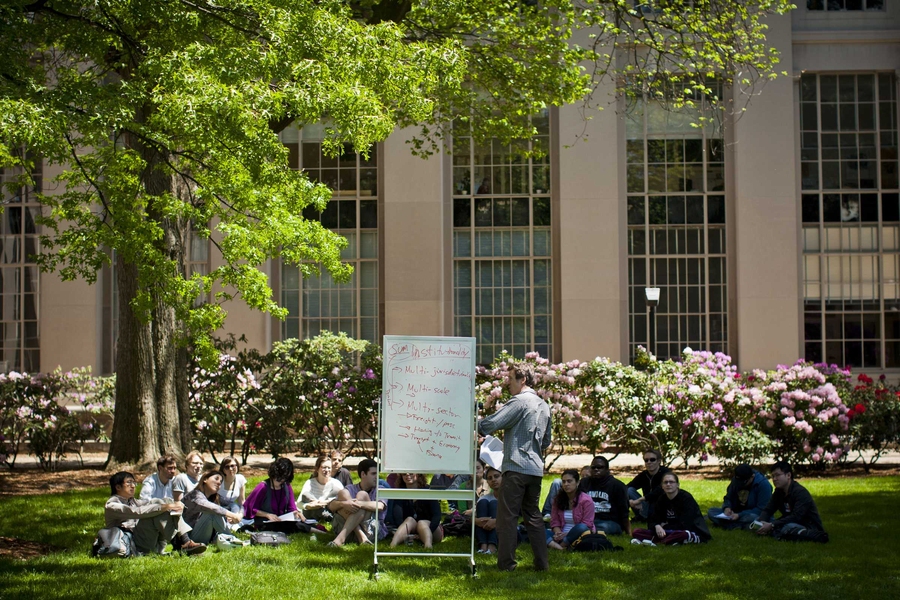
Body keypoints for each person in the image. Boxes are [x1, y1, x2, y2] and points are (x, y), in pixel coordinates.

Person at [477, 362, 551, 572]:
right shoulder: (544, 406)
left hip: (516, 468)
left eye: (510, 379)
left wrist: (474, 421)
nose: (507, 383)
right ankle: (541, 565)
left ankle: (506, 565)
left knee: (506, 518)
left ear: (523, 380)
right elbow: (546, 441)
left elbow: (491, 424)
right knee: (533, 516)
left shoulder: (519, 401)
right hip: (535, 470)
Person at [104, 471, 205, 555]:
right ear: (118, 487)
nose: (133, 486)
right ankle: (181, 543)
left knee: (159, 503)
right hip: (131, 545)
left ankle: (183, 542)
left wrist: (172, 503)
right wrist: (166, 506)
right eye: (129, 482)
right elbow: (137, 512)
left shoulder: (133, 501)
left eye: (134, 483)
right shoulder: (112, 505)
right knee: (160, 508)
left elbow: (153, 503)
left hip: (146, 540)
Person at [138, 453, 201, 551]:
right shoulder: (150, 482)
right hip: (147, 524)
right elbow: (143, 506)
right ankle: (182, 543)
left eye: (174, 468)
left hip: (163, 525)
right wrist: (165, 506)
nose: (173, 471)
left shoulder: (174, 482)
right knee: (161, 502)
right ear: (160, 468)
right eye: (170, 468)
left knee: (171, 503)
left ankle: (183, 544)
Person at [755, 461, 828, 543]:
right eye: (773, 476)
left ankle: (812, 535)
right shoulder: (779, 492)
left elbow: (796, 516)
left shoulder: (800, 492)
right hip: (790, 522)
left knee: (785, 527)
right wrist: (761, 523)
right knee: (756, 520)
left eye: (778, 475)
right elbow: (768, 510)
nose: (774, 479)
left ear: (788, 475)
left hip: (807, 525)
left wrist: (772, 525)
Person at [631, 473, 711, 546]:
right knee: (637, 532)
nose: (668, 484)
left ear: (677, 485)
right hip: (668, 531)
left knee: (683, 535)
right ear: (662, 486)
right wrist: (657, 525)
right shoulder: (661, 499)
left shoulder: (686, 498)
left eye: (671, 482)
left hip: (688, 531)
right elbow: (653, 519)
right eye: (665, 482)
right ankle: (669, 541)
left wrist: (664, 526)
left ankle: (657, 542)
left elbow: (686, 523)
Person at [329, 458, 388, 547]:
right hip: (349, 532)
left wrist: (359, 504)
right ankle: (361, 537)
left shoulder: (380, 489)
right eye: (373, 474)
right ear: (363, 474)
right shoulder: (350, 488)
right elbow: (331, 506)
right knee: (343, 493)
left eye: (377, 474)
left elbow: (380, 506)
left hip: (371, 531)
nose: (377, 477)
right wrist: (344, 504)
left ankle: (340, 539)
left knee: (362, 495)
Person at [243, 458, 306, 533]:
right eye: (279, 476)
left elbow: (291, 508)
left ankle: (315, 529)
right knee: (291, 527)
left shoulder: (286, 486)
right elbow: (249, 508)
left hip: (282, 521)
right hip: (265, 523)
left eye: (284, 477)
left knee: (298, 523)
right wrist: (267, 515)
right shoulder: (263, 487)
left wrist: (297, 513)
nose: (280, 480)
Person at [182, 470, 242, 544]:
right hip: (188, 539)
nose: (219, 483)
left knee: (216, 512)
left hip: (203, 534)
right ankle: (232, 540)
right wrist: (232, 515)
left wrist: (236, 513)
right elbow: (212, 508)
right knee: (212, 513)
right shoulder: (194, 495)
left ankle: (229, 540)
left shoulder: (215, 497)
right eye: (216, 479)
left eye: (220, 482)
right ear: (205, 479)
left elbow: (233, 504)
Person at [707, 463, 773, 530]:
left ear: (752, 477)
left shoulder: (763, 485)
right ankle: (739, 525)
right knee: (711, 512)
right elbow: (728, 498)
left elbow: (762, 509)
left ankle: (730, 524)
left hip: (751, 514)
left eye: (743, 482)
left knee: (753, 518)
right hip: (735, 513)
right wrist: (727, 508)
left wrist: (739, 515)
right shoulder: (735, 481)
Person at [388, 473, 444, 549]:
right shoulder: (400, 492)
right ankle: (392, 545)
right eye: (404, 474)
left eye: (411, 473)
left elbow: (437, 516)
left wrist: (422, 534)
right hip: (411, 529)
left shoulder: (428, 490)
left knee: (422, 523)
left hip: (432, 528)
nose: (407, 475)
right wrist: (410, 533)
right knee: (409, 519)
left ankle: (428, 546)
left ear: (418, 475)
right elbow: (398, 517)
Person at [579, 456, 630, 535]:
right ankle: (588, 530)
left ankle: (587, 531)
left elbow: (624, 511)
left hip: (609, 521)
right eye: (593, 467)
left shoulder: (617, 485)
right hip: (588, 519)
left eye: (600, 467)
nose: (596, 469)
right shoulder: (584, 483)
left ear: (607, 470)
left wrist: (628, 532)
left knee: (605, 527)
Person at [546, 469, 595, 551]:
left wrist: (566, 535)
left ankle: (558, 545)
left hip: (579, 535)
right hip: (560, 533)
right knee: (538, 529)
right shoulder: (558, 499)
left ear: (577, 483)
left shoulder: (586, 500)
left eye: (569, 481)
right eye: (564, 482)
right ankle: (561, 548)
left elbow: (587, 524)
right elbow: (554, 521)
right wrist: (558, 533)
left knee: (581, 527)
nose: (566, 484)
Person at [626, 449, 671, 520]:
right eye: (646, 460)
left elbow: (659, 491)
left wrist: (639, 500)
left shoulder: (666, 473)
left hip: (662, 504)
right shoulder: (644, 475)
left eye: (652, 460)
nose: (649, 462)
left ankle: (644, 516)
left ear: (659, 461)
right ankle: (642, 515)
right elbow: (629, 486)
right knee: (629, 490)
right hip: (646, 503)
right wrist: (629, 501)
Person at [299, 454, 345, 521]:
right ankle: (326, 516)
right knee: (306, 494)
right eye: (324, 467)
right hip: (311, 511)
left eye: (329, 468)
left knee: (337, 491)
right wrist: (308, 506)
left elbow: (344, 500)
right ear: (317, 469)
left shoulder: (336, 483)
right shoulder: (310, 482)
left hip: (328, 508)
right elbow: (299, 503)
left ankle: (327, 516)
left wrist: (325, 502)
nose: (327, 470)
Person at [475, 466, 502, 554]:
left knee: (494, 503)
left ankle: (492, 545)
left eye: (496, 476)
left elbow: (515, 517)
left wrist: (496, 521)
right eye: (490, 478)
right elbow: (473, 519)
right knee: (483, 502)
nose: (493, 480)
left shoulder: (510, 498)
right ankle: (483, 545)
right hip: (484, 527)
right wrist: (478, 521)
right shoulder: (484, 498)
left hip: (504, 528)